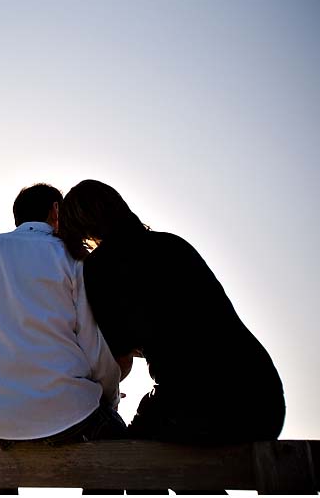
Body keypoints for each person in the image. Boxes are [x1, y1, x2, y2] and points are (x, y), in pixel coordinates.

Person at [58, 179, 286, 446]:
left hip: (196, 402)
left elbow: (119, 361)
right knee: (183, 469)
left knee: (130, 461)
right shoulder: (174, 244)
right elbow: (187, 325)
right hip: (262, 397)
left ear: (78, 226)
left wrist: (96, 393)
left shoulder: (100, 268)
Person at [0, 183, 126, 495]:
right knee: (117, 451)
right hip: (69, 414)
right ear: (56, 212)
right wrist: (109, 399)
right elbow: (93, 345)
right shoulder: (72, 256)